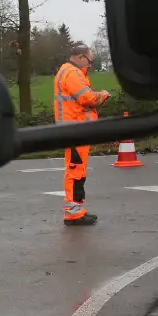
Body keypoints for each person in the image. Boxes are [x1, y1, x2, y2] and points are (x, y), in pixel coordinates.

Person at [53, 43, 111, 226]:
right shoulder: (72, 73)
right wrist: (102, 95)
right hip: (75, 129)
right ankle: (73, 213)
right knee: (75, 171)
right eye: (90, 61)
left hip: (75, 128)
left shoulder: (68, 71)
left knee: (77, 170)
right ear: (80, 57)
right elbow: (87, 98)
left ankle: (76, 210)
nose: (91, 66)